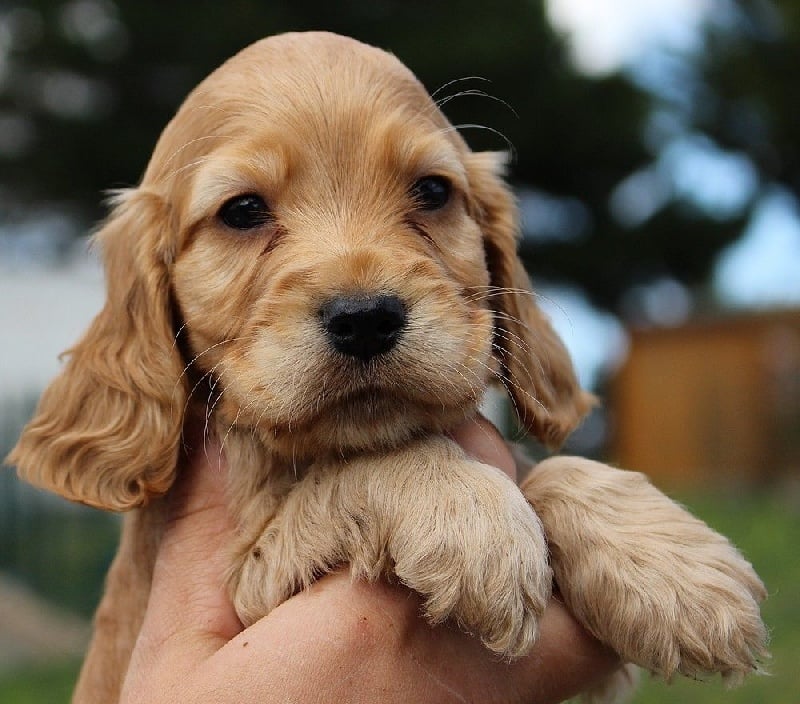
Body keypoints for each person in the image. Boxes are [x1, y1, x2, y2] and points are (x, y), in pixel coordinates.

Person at [119, 416, 620, 703]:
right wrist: (394, 486)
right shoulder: (214, 445)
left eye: (427, 222)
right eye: (245, 223)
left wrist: (571, 506)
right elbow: (242, 587)